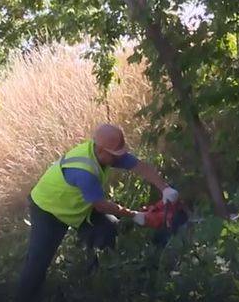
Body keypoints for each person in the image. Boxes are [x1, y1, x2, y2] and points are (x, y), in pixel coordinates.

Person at [15, 123, 179, 302]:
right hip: (48, 209)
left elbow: (140, 167)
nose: (120, 158)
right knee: (38, 262)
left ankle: (97, 279)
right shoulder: (85, 172)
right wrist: (136, 215)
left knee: (108, 227)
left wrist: (165, 189)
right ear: (101, 150)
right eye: (115, 154)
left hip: (76, 205)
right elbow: (101, 205)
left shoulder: (108, 154)